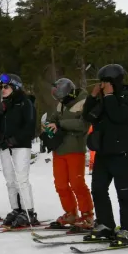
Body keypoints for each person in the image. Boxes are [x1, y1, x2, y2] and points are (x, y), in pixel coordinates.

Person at [82, 64, 128, 245]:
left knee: (124, 192)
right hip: (104, 152)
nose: (103, 85)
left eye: (106, 82)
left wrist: (108, 96)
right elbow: (88, 116)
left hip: (121, 152)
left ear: (114, 81)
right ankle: (106, 224)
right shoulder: (104, 99)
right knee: (98, 189)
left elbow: (118, 116)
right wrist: (92, 97)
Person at [42, 78, 93, 229]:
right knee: (61, 184)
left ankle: (87, 215)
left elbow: (83, 125)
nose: (59, 100)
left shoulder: (84, 102)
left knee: (77, 183)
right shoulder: (61, 104)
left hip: (74, 149)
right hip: (59, 149)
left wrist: (60, 124)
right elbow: (53, 119)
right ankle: (70, 213)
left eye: (60, 97)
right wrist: (47, 125)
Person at [0, 73, 38, 228]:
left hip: (20, 146)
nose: (3, 90)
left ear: (15, 87)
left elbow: (30, 128)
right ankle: (16, 208)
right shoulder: (6, 105)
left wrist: (15, 140)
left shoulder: (26, 103)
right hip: (5, 146)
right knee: (10, 180)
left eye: (6, 87)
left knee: (21, 179)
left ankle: (28, 211)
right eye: (1, 87)